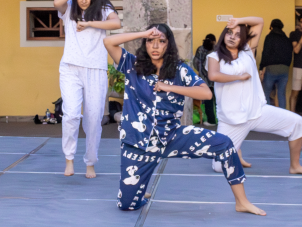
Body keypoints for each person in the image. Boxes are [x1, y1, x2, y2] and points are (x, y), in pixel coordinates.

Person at [104, 24, 265, 216]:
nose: (155, 46)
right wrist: (144, 32)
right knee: (127, 205)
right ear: (144, 43)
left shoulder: (179, 70)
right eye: (150, 41)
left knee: (225, 143)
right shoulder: (132, 65)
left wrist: (169, 87)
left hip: (172, 137)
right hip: (138, 143)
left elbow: (206, 93)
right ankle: (139, 189)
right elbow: (108, 41)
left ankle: (242, 201)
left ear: (168, 45)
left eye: (161, 41)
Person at [208, 17, 302, 177]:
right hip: (231, 120)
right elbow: (213, 75)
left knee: (297, 123)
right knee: (218, 167)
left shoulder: (247, 52)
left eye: (237, 34)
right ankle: (236, 152)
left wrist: (238, 20)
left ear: (243, 39)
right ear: (224, 35)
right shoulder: (215, 56)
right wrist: (239, 77)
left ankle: (295, 165)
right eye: (229, 33)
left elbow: (259, 22)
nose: (232, 37)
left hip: (257, 112)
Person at [53, 0, 122, 179]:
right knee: (71, 114)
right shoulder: (70, 9)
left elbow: (116, 22)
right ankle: (69, 159)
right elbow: (57, 2)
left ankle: (90, 162)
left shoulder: (103, 8)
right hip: (70, 68)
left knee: (93, 119)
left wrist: (90, 23)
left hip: (96, 69)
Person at [259, 19, 293, 110]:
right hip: (285, 69)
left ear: (271, 27)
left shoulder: (269, 37)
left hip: (272, 68)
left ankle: (269, 116)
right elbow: (290, 54)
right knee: (281, 93)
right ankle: (283, 117)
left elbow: (265, 53)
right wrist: (287, 66)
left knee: (266, 92)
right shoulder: (286, 39)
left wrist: (261, 67)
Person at [192, 33, 217, 127]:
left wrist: (201, 72)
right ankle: (220, 120)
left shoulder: (200, 49)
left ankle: (211, 120)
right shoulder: (215, 50)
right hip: (216, 79)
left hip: (204, 80)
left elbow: (195, 63)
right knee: (218, 100)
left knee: (208, 100)